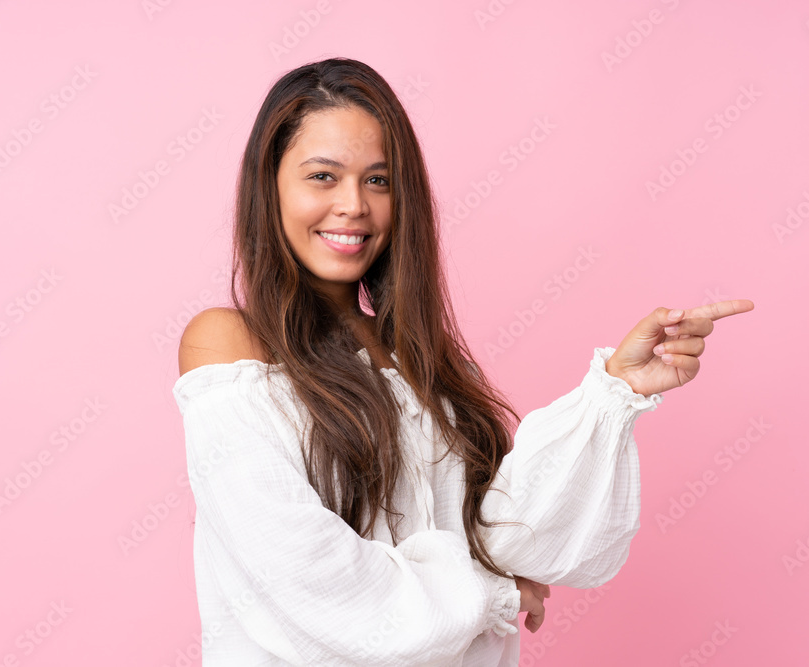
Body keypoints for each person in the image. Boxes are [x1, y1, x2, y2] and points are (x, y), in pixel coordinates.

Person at [173, 56, 754, 666]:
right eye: (322, 176)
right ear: (270, 186)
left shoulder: (424, 362)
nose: (353, 206)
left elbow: (511, 539)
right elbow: (293, 565)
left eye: (379, 180)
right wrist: (490, 596)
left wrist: (614, 392)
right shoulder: (228, 344)